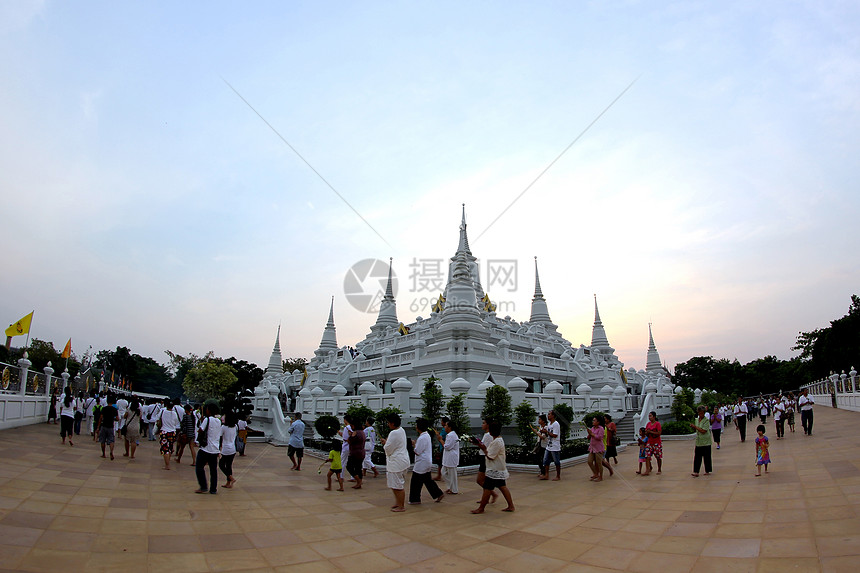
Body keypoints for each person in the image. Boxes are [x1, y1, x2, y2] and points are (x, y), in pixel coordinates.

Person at [471, 421, 514, 514]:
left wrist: (483, 449)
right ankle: (511, 506)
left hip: (495, 468)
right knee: (502, 486)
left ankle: (481, 508)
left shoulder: (497, 442)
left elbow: (490, 456)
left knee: (488, 487)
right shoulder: (497, 440)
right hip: (497, 468)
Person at [408, 418, 444, 504]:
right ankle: (438, 493)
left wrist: (413, 445)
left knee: (415, 481)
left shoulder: (422, 438)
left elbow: (417, 451)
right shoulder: (426, 435)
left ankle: (415, 499)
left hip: (422, 463)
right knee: (427, 480)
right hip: (426, 462)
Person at [382, 412, 410, 512]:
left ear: (393, 423)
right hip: (401, 460)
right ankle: (398, 502)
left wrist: (385, 444)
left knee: (398, 485)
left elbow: (388, 449)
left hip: (397, 462)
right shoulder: (401, 430)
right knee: (394, 484)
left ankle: (401, 505)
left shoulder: (394, 433)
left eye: (389, 423)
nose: (388, 425)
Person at [195, 403, 222, 494]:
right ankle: (213, 489)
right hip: (215, 448)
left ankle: (203, 486)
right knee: (213, 470)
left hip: (206, 448)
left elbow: (201, 430)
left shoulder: (207, 419)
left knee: (199, 467)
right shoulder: (218, 421)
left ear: (209, 411)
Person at [474, 419, 498, 503]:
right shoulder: (487, 435)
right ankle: (486, 497)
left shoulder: (488, 435)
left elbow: (485, 447)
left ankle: (492, 494)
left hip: (485, 458)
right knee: (484, 480)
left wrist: (478, 444)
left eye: (484, 423)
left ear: (488, 425)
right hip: (484, 457)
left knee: (480, 480)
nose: (482, 425)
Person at [436, 419, 460, 494]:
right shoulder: (450, 435)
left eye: (446, 425)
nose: (445, 427)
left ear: (449, 427)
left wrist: (440, 440)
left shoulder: (451, 435)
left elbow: (447, 447)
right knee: (444, 472)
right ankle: (450, 487)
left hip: (451, 457)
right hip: (448, 457)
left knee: (452, 474)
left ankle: (454, 489)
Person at [690, 405, 713, 477]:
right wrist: (693, 427)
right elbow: (696, 429)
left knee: (707, 456)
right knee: (697, 457)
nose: (701, 415)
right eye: (699, 413)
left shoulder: (706, 420)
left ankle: (707, 470)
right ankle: (696, 471)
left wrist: (696, 427)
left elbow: (704, 430)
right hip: (699, 441)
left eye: (702, 413)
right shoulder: (696, 419)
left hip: (706, 440)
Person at [158, 399, 181, 470]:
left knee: (165, 449)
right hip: (172, 432)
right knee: (170, 448)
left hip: (164, 431)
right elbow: (176, 422)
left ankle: (167, 465)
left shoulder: (163, 411)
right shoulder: (174, 413)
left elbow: (158, 419)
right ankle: (168, 462)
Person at [541, 410, 562, 481]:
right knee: (546, 460)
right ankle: (546, 475)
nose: (548, 416)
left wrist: (547, 432)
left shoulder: (556, 424)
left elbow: (555, 435)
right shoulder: (550, 424)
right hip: (549, 445)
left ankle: (558, 476)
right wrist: (545, 432)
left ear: (553, 416)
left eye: (549, 414)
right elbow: (549, 434)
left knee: (556, 461)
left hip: (555, 446)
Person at [219, 411, 238, 488]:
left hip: (226, 449)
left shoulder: (223, 427)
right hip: (233, 449)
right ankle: (228, 483)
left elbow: (220, 437)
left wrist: (219, 447)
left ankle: (230, 478)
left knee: (221, 465)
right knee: (229, 465)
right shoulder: (235, 426)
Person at [97, 395, 118, 460]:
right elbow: (117, 418)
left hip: (104, 425)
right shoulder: (114, 409)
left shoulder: (104, 408)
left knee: (102, 440)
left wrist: (98, 426)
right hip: (111, 426)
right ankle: (111, 451)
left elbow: (101, 418)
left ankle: (103, 454)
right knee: (111, 440)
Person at [346, 421, 365, 489]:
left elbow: (349, 440)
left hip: (355, 453)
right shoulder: (362, 432)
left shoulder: (356, 432)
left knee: (349, 467)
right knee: (358, 468)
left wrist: (350, 435)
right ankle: (359, 482)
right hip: (361, 452)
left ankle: (358, 481)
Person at [586, 415, 605, 482]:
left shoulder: (601, 428)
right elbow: (588, 437)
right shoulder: (592, 428)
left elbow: (600, 437)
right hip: (592, 447)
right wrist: (589, 433)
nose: (593, 422)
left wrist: (592, 434)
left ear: (598, 422)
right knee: (589, 461)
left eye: (594, 420)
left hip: (598, 448)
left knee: (599, 463)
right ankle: (595, 473)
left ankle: (601, 476)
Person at [530, 414, 549, 478]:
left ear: (543, 421)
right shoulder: (540, 427)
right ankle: (542, 471)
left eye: (540, 419)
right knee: (537, 457)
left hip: (544, 445)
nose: (539, 421)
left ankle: (543, 472)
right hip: (539, 444)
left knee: (541, 458)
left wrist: (536, 432)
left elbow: (543, 437)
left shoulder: (546, 428)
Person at [433, 416, 448, 482]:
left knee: (441, 462)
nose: (441, 422)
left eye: (441, 421)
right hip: (442, 446)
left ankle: (440, 475)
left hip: (443, 447)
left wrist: (438, 436)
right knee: (440, 462)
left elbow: (442, 438)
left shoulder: (445, 429)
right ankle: (439, 475)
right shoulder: (444, 429)